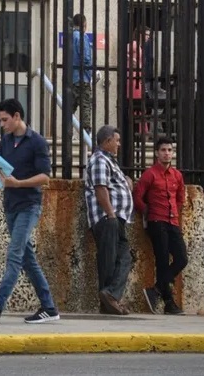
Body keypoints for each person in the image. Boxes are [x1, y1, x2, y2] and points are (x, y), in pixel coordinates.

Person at [0, 99, 60, 324]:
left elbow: (45, 176)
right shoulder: (6, 141)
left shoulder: (37, 142)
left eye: (5, 119)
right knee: (27, 258)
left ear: (17, 116)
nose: (2, 124)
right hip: (10, 204)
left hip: (29, 205)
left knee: (15, 253)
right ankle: (49, 307)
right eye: (0, 120)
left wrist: (18, 183)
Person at [132, 138, 187, 315]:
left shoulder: (177, 175)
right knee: (162, 261)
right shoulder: (150, 174)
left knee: (181, 258)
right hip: (156, 221)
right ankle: (169, 303)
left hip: (173, 221)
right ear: (157, 153)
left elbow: (180, 198)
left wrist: (176, 213)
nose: (167, 153)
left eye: (170, 150)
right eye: (163, 150)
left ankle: (156, 288)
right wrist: (147, 210)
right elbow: (137, 196)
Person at [84, 125, 134, 315]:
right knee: (108, 260)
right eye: (117, 140)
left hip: (115, 218)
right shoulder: (98, 160)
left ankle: (109, 297)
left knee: (122, 257)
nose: (119, 144)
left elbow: (121, 183)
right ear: (107, 142)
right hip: (107, 218)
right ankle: (108, 300)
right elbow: (100, 188)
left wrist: (127, 182)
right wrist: (111, 214)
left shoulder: (109, 161)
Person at [72, 13, 93, 134]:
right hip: (82, 78)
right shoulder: (81, 36)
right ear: (84, 24)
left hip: (71, 79)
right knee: (86, 107)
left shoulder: (69, 37)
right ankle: (86, 136)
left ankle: (68, 135)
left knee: (69, 110)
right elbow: (85, 58)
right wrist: (91, 74)